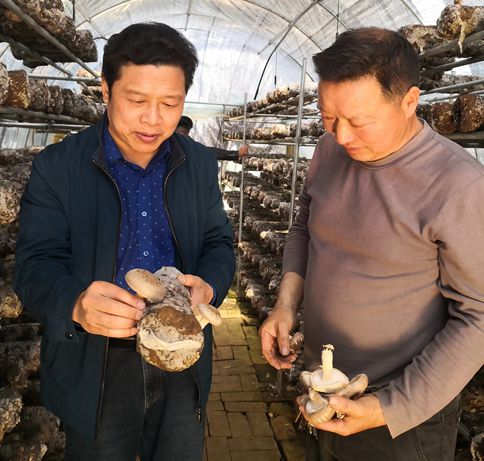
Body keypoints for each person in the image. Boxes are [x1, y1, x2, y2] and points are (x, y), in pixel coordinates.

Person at [259, 27, 484, 461]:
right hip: (321, 387)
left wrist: (389, 408)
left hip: (399, 418)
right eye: (328, 117)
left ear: (409, 102)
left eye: (359, 121)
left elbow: (477, 316)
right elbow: (306, 228)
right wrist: (285, 305)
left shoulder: (459, 186)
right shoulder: (328, 151)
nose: (342, 136)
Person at [14, 22, 235, 461]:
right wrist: (76, 304)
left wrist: (209, 284)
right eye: (136, 100)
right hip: (99, 361)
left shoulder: (198, 165)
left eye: (169, 103)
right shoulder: (58, 167)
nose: (153, 119)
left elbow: (218, 243)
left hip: (181, 349)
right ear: (106, 90)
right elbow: (34, 266)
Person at [176, 114, 249, 161]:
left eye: (186, 134)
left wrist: (236, 153)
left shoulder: (190, 145)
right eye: (181, 134)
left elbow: (211, 152)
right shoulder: (170, 144)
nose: (183, 138)